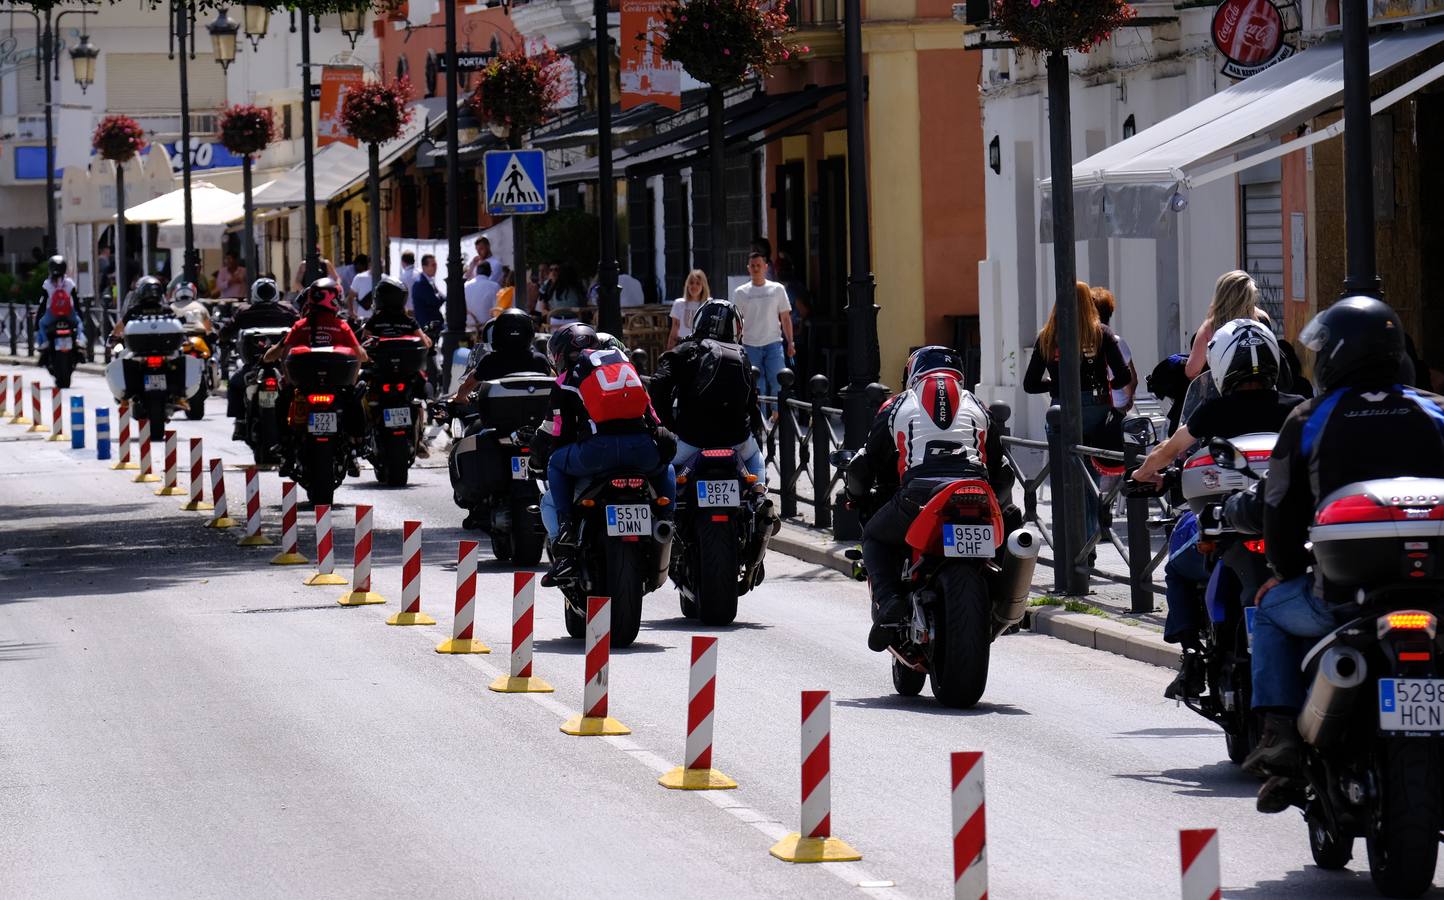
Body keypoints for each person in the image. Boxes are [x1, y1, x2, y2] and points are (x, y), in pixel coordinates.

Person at [1242, 297, 1444, 812]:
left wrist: (1281, 572)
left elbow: (1280, 509)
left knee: (1266, 612)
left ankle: (1281, 733)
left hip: (1340, 598)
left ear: (1340, 355)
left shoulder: (1311, 418)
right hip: (1436, 593)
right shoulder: (1434, 409)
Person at [1130, 319, 1303, 698]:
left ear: (1222, 366)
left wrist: (1143, 472)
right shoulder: (1298, 409)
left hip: (1231, 528)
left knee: (1177, 565)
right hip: (1289, 530)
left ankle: (1192, 657)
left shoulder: (1214, 410)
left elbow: (1170, 450)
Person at [844, 346, 1016, 652]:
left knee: (874, 537)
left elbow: (862, 465)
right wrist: (1001, 505)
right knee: (1011, 520)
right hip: (977, 491)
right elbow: (1002, 469)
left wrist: (854, 496)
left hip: (920, 494)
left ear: (912, 374)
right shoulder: (978, 405)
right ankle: (1009, 600)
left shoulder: (895, 405)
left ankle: (890, 602)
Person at [534, 323, 676, 585]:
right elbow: (653, 418)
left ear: (562, 354)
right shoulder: (624, 366)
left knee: (556, 464)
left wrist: (547, 453)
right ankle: (669, 524)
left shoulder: (566, 380)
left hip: (597, 454)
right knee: (666, 466)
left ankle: (565, 540)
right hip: (641, 451)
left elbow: (560, 432)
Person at [1022, 281, 1131, 548]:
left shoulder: (1047, 336)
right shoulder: (1101, 333)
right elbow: (1123, 376)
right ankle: (1089, 544)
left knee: (1063, 482)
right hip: (1096, 411)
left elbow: (1030, 384)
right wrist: (1107, 390)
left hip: (1061, 412)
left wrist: (1056, 385)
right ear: (1089, 304)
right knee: (1090, 482)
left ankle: (1067, 550)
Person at [648, 299, 765, 480]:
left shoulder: (684, 350)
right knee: (756, 455)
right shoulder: (741, 354)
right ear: (736, 328)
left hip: (691, 440)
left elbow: (657, 385)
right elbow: (752, 405)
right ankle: (759, 493)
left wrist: (670, 425)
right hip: (737, 441)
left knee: (661, 469)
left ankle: (667, 506)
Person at [263, 278, 370, 475]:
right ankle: (356, 448)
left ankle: (286, 450)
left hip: (304, 388)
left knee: (282, 402)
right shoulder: (341, 326)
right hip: (336, 388)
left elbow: (279, 354)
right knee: (355, 398)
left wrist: (286, 379)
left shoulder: (300, 326)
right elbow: (361, 355)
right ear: (335, 299)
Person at [221, 277, 298, 438]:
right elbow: (300, 326)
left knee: (234, 384)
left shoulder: (244, 311)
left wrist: (222, 335)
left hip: (256, 366)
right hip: (283, 367)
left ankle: (240, 422)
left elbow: (226, 332)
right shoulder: (288, 310)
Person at [731, 251, 795, 406]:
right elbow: (736, 321)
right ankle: (760, 421)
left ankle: (779, 417)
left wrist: (790, 342)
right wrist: (735, 343)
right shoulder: (740, 292)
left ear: (766, 267)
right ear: (748, 268)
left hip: (773, 343)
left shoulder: (777, 289)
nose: (756, 268)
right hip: (750, 344)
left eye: (759, 265)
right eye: (753, 266)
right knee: (755, 386)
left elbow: (785, 318)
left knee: (778, 381)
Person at [1184, 270, 1272, 380]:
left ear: (1221, 295)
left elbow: (1192, 371)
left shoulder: (1211, 326)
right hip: (1262, 386)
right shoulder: (1262, 318)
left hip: (1228, 391)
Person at [450, 307, 551, 402]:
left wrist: (460, 398)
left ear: (497, 332)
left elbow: (467, 386)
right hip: (534, 418)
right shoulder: (540, 360)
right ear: (529, 333)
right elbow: (554, 382)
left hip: (496, 419)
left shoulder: (490, 360)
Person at [36, 254, 83, 353]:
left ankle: (45, 342)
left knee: (41, 324)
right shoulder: (70, 283)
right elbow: (76, 302)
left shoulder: (47, 284)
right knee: (79, 323)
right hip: (68, 313)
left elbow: (43, 304)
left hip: (53, 314)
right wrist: (80, 316)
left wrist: (37, 320)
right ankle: (79, 340)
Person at [667, 269, 711, 350]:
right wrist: (669, 349)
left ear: (703, 286)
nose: (694, 286)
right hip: (683, 346)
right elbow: (674, 328)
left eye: (698, 283)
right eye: (691, 283)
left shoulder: (709, 304)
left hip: (702, 346)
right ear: (687, 285)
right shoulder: (678, 303)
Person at [409, 254, 445, 328]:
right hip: (427, 326)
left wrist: (440, 297)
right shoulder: (421, 283)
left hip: (433, 325)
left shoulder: (429, 281)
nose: (436, 268)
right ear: (424, 267)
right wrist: (441, 297)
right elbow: (435, 301)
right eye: (433, 265)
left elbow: (441, 297)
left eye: (435, 265)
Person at [464, 265, 500, 334]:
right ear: (490, 273)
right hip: (485, 332)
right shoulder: (495, 286)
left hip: (467, 331)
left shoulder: (465, 285)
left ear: (476, 272)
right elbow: (497, 312)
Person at [347, 255, 374, 320]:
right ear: (370, 264)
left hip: (381, 320)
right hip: (363, 318)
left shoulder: (386, 279)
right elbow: (350, 297)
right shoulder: (359, 277)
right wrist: (351, 312)